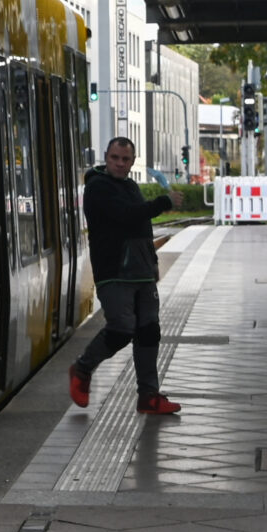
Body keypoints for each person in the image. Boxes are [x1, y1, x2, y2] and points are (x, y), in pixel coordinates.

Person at [68, 135, 181, 415]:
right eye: (115, 158)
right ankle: (82, 369)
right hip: (114, 272)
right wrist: (163, 202)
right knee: (121, 328)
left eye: (125, 159)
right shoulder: (97, 188)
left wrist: (152, 263)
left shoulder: (130, 186)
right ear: (106, 158)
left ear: (132, 162)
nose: (120, 164)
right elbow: (127, 215)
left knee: (149, 330)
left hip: (141, 272)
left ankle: (149, 396)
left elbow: (141, 227)